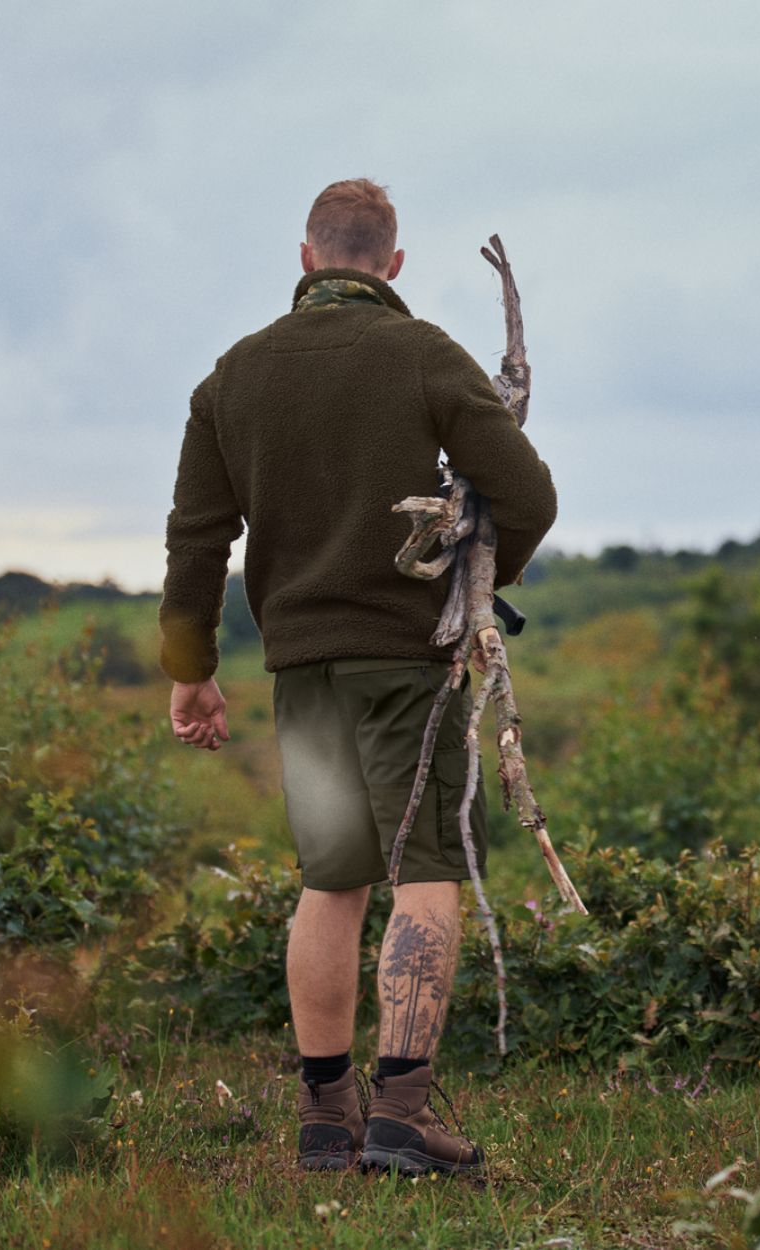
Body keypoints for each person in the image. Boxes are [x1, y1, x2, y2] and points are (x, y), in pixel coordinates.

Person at [159, 178, 557, 1175]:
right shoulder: (421, 352)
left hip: (301, 669)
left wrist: (190, 671)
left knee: (328, 880)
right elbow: (529, 492)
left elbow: (196, 535)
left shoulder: (231, 377)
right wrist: (479, 580)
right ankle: (402, 1112)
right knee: (423, 874)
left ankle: (325, 1117)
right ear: (394, 264)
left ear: (305, 259)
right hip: (404, 665)